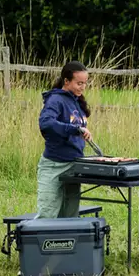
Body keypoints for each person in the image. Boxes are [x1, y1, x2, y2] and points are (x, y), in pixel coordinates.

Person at [36, 61, 95, 218]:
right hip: (54, 166)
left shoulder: (77, 101)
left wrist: (81, 132)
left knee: (70, 216)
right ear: (66, 81)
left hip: (74, 165)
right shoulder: (55, 100)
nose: (83, 87)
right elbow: (46, 123)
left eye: (85, 83)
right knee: (47, 215)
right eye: (79, 83)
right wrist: (75, 129)